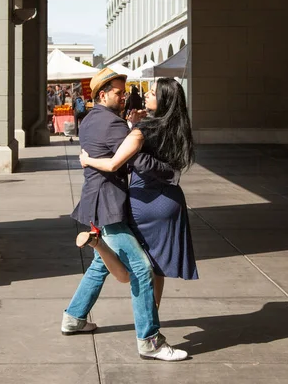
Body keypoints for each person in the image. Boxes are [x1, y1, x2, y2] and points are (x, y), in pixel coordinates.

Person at [63, 68, 188, 362]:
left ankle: (74, 317)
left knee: (101, 264)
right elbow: (139, 160)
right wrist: (169, 171)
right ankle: (150, 341)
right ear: (102, 94)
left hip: (95, 201)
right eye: (119, 92)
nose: (124, 96)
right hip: (109, 205)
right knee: (142, 270)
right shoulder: (114, 125)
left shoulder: (91, 119)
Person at [79, 78, 198, 310]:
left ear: (162, 100)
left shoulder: (145, 129)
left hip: (144, 201)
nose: (145, 95)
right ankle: (153, 313)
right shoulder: (177, 125)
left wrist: (89, 160)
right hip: (171, 202)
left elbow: (124, 162)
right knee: (157, 266)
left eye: (152, 93)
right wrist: (170, 173)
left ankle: (97, 244)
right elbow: (170, 164)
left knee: (135, 268)